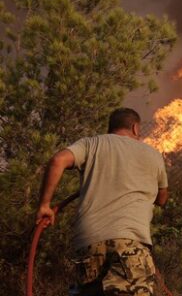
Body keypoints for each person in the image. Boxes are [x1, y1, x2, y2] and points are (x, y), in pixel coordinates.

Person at [36, 107, 169, 296]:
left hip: (89, 243)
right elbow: (162, 199)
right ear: (135, 128)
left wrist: (44, 205)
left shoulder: (92, 144)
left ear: (111, 128)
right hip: (129, 242)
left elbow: (58, 160)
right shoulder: (153, 154)